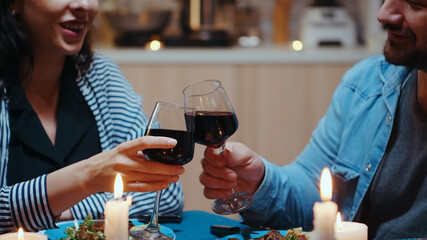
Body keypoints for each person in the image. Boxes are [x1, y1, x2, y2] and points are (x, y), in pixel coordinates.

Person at [199, 0, 427, 239]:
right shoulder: (364, 85)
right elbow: (312, 189)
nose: (383, 14)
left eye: (415, 3)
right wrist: (261, 183)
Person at [0, 0, 185, 233]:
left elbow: (165, 194)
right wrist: (87, 177)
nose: (83, 4)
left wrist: (58, 210)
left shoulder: (100, 75)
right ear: (15, 3)